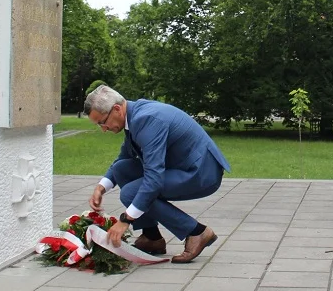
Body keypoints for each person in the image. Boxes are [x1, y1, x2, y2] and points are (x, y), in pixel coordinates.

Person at [85, 85, 230, 264]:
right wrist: (102, 186)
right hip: (181, 166)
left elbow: (153, 178)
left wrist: (125, 220)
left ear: (116, 109)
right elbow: (124, 156)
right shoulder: (133, 115)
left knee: (131, 193)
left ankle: (197, 232)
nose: (103, 129)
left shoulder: (146, 119)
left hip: (200, 173)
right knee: (121, 169)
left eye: (102, 122)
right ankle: (152, 238)